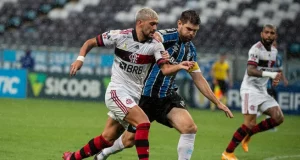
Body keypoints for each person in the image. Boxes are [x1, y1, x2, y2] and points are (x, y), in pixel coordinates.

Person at [95, 10, 234, 160]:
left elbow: (198, 77)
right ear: (179, 24)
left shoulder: (190, 50)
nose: (192, 34)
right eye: (188, 29)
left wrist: (217, 102)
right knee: (129, 140)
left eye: (195, 31)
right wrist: (160, 46)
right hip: (145, 96)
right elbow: (155, 36)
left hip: (166, 96)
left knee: (189, 128)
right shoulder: (167, 36)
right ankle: (103, 154)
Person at [63, 8, 194, 160]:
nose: (155, 28)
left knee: (107, 138)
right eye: (152, 24)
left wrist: (179, 66)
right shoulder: (120, 36)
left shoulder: (156, 45)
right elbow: (90, 42)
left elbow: (165, 70)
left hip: (134, 97)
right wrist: (80, 59)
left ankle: (72, 158)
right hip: (116, 92)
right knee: (143, 123)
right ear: (140, 22)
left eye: (156, 24)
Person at [221, 24, 284, 160]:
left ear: (275, 36)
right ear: (262, 34)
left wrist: (274, 77)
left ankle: (249, 134)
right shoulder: (256, 49)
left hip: (262, 90)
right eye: (266, 32)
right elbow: (251, 70)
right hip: (250, 89)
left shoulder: (274, 52)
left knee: (278, 117)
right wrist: (271, 75)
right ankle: (227, 153)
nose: (268, 35)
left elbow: (267, 69)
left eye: (271, 33)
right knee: (249, 123)